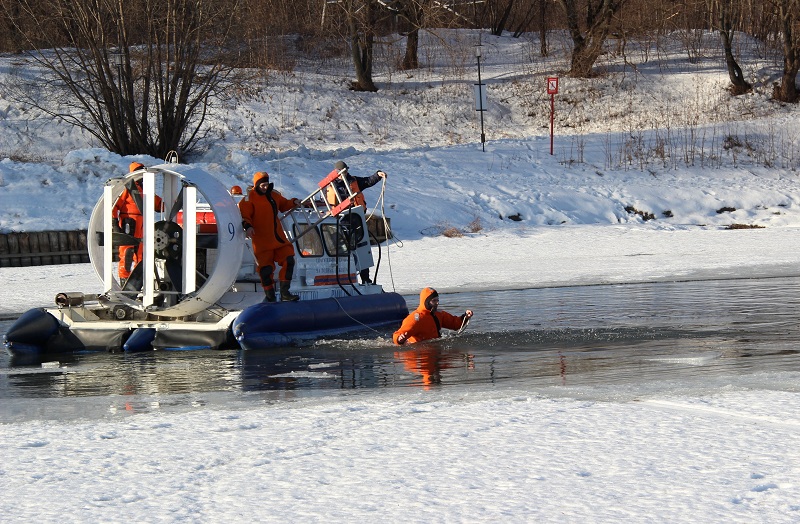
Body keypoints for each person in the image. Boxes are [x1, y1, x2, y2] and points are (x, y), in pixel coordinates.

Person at [238, 171, 301, 303]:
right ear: (256, 185)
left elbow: (284, 205)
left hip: (278, 239)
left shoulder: (274, 195)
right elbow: (245, 216)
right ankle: (270, 296)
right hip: (261, 241)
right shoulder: (248, 200)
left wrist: (294, 202)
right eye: (262, 185)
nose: (265, 187)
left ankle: (285, 292)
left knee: (289, 260)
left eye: (267, 184)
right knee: (265, 270)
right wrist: (248, 227)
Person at [325, 160, 387, 284]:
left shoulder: (353, 180)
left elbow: (367, 181)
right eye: (342, 171)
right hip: (342, 222)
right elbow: (330, 206)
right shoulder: (332, 185)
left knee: (362, 247)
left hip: (356, 219)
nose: (345, 173)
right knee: (344, 250)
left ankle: (365, 279)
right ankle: (344, 278)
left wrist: (377, 175)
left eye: (346, 170)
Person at [112, 162, 164, 281]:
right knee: (127, 252)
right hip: (129, 223)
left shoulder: (146, 190)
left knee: (141, 255)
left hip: (143, 225)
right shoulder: (126, 187)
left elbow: (159, 205)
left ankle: (137, 281)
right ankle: (124, 280)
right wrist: (114, 223)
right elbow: (114, 205)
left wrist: (173, 202)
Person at [393, 287, 473, 345]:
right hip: (420, 352)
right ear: (426, 302)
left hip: (435, 349)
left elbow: (455, 324)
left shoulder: (439, 314)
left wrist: (465, 316)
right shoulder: (415, 318)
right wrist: (399, 339)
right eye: (434, 301)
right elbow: (398, 334)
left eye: (437, 300)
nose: (437, 303)